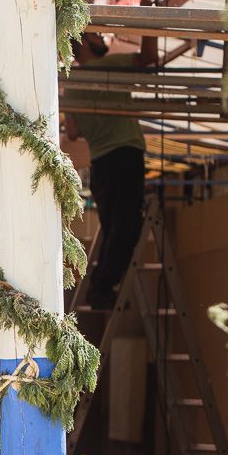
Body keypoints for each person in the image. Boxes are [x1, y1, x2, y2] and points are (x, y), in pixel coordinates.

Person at [63, 24, 159, 310]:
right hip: (125, 154)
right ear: (83, 43)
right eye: (95, 35)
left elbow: (72, 132)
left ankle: (100, 287)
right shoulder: (112, 64)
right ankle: (102, 287)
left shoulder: (72, 84)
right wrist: (150, 21)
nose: (102, 37)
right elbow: (149, 58)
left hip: (101, 164)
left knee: (115, 228)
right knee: (127, 227)